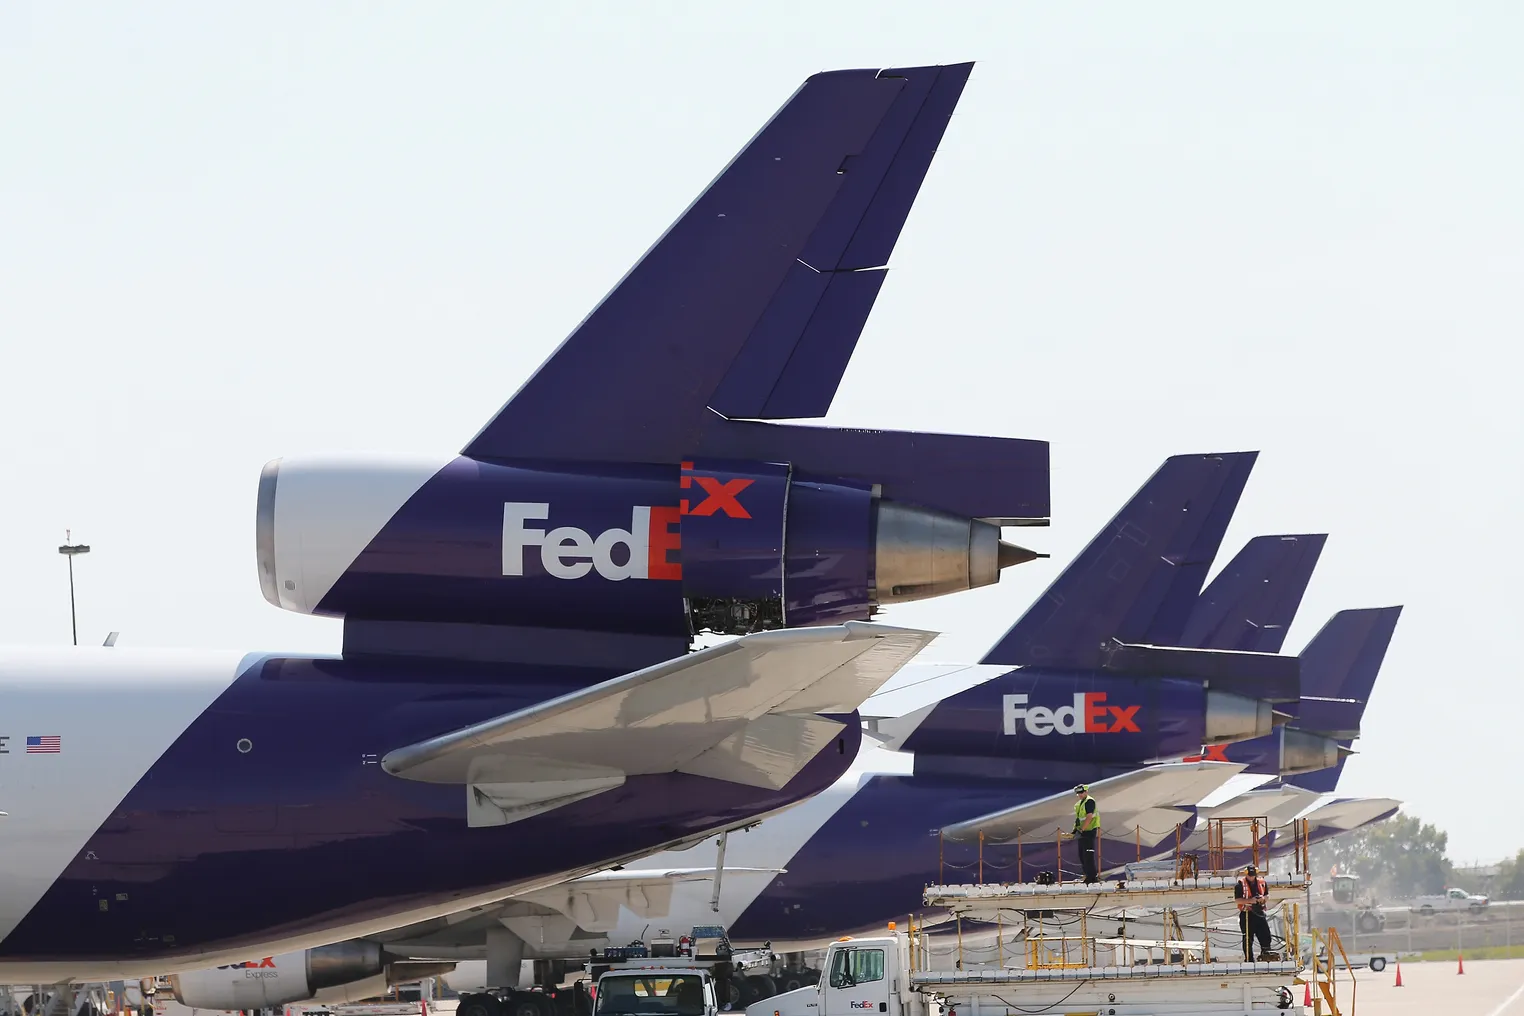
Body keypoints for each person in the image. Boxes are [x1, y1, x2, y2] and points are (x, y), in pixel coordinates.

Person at [1235, 864, 1273, 961]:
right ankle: (1249, 959)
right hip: (1247, 914)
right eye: (1250, 875)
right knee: (1248, 938)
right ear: (1246, 874)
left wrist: (1262, 899)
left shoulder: (1262, 882)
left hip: (1259, 913)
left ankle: (1266, 955)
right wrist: (1250, 900)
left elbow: (1267, 895)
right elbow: (1238, 900)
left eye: (1253, 875)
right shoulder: (1240, 884)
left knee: (1265, 935)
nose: (1251, 877)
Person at [1071, 784, 1100, 883]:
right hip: (1083, 832)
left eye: (1081, 792)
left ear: (1086, 792)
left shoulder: (1089, 801)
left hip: (1089, 831)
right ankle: (1087, 875)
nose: (1080, 795)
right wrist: (1075, 830)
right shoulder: (1079, 804)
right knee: (1082, 855)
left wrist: (1081, 830)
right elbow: (1079, 819)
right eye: (1078, 793)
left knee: (1088, 855)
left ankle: (1092, 877)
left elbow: (1089, 817)